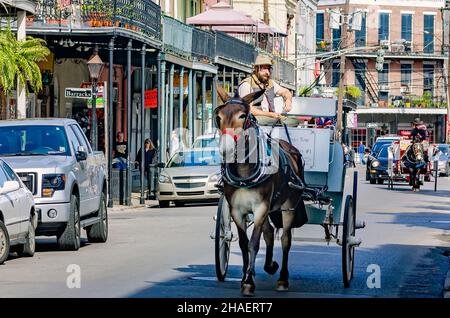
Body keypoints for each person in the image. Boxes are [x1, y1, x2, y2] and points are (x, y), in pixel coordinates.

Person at [238, 54, 299, 127]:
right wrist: (270, 114)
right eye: (264, 68)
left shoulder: (270, 83)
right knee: (275, 121)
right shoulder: (247, 84)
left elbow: (285, 92)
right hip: (253, 119)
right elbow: (246, 108)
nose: (267, 72)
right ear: (257, 69)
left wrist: (288, 101)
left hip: (271, 117)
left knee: (294, 121)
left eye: (269, 69)